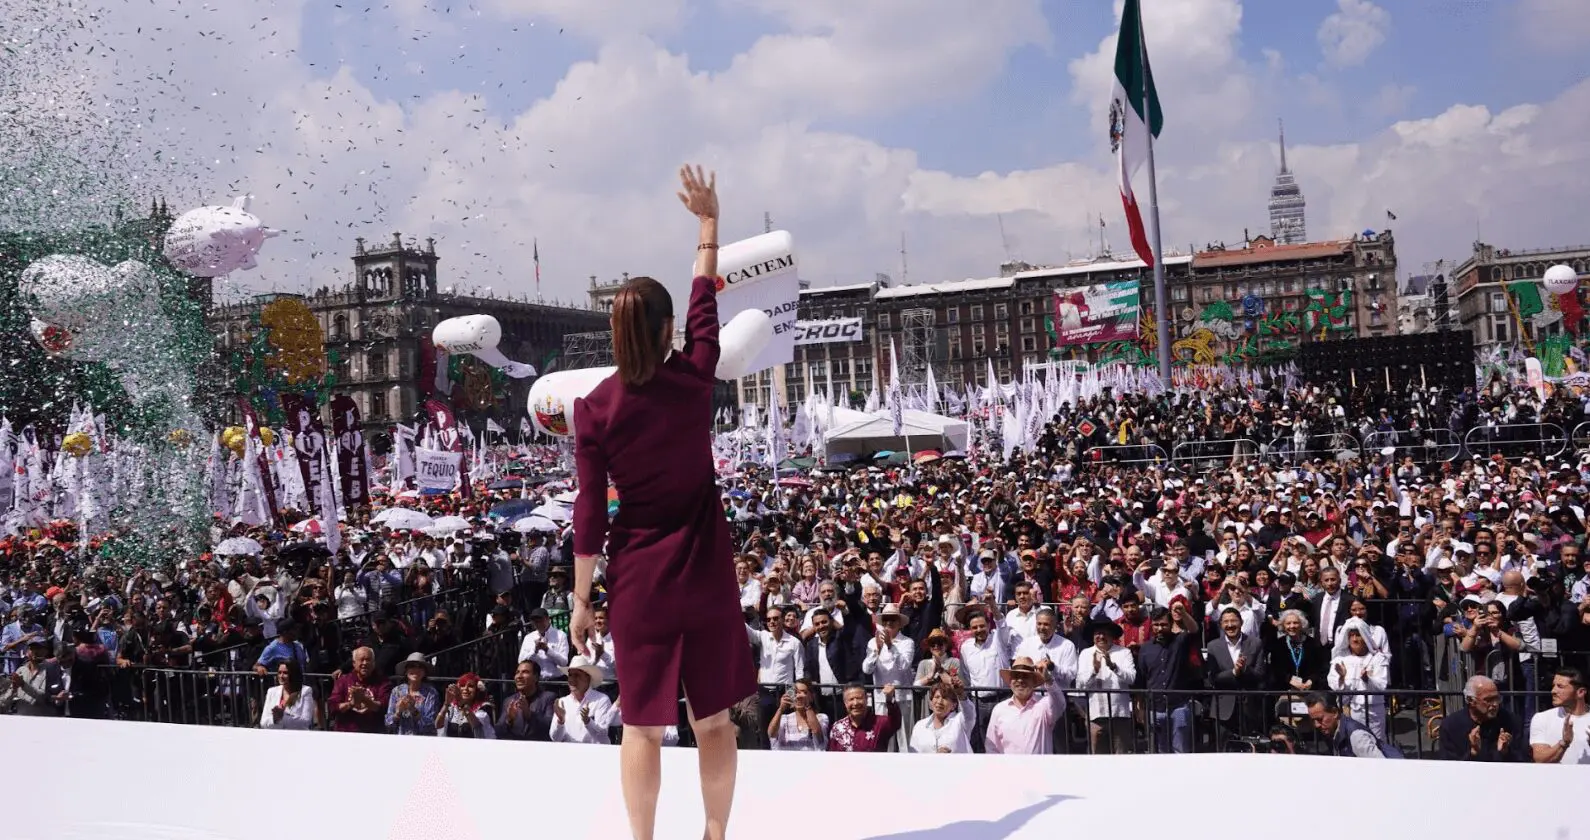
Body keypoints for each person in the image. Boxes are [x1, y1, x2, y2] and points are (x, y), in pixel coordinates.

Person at [568, 164, 753, 840]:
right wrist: (708, 224)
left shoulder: (594, 410)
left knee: (642, 726)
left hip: (640, 577)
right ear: (668, 328)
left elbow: (590, 514)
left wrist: (583, 598)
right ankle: (713, 836)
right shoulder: (696, 380)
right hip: (704, 572)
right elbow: (708, 304)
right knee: (713, 721)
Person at [1435, 675, 1528, 761]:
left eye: (1497, 698)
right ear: (1470, 700)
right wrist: (1473, 753)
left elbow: (1523, 761)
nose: (1495, 704)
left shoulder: (1511, 721)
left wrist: (1506, 752)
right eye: (1488, 700)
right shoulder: (1451, 726)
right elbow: (1449, 767)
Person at [1305, 693, 1404, 758]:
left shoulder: (1357, 736)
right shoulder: (1333, 731)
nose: (1316, 725)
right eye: (1313, 720)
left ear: (1335, 713)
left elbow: (1380, 768)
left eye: (1320, 719)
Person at [1529, 667, 1590, 764]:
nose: (1553, 691)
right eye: (1553, 686)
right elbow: (1540, 760)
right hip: (1555, 779)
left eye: (1560, 686)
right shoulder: (1542, 718)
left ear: (1580, 692)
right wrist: (1564, 743)